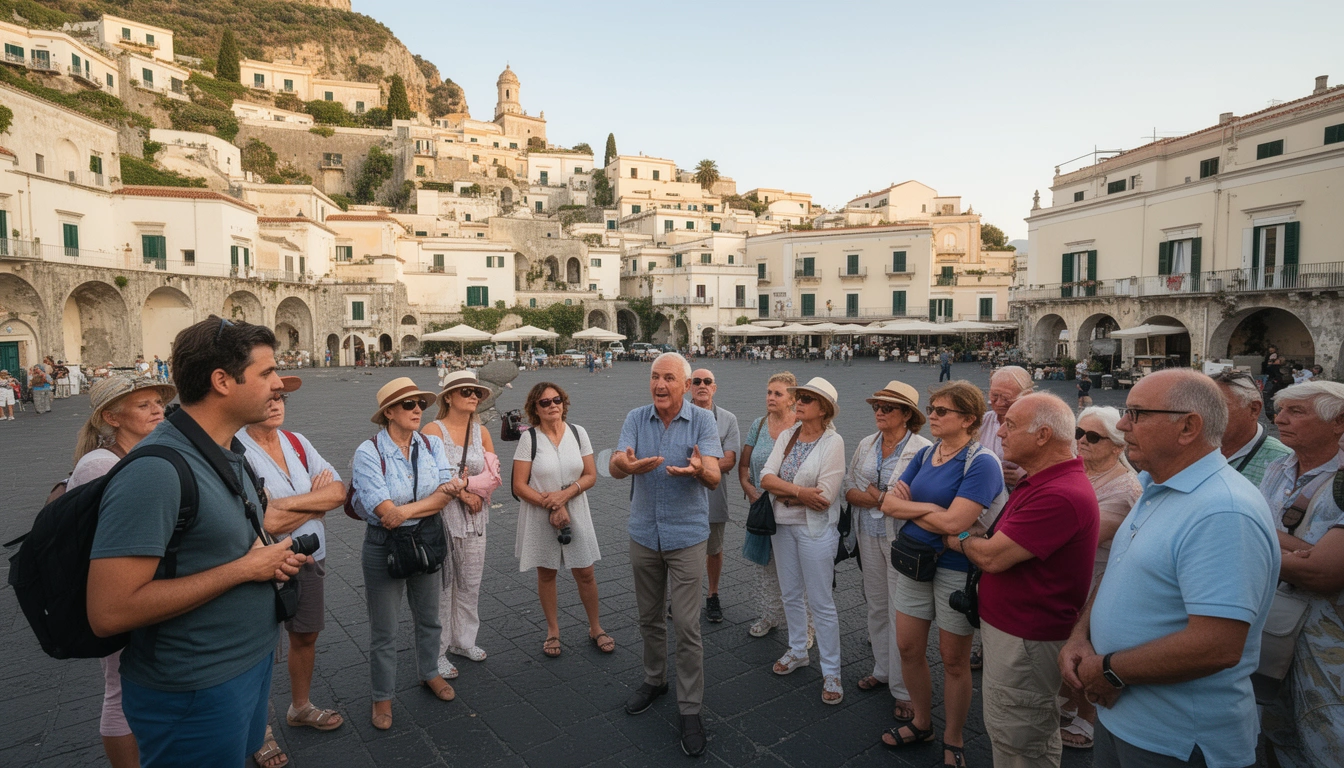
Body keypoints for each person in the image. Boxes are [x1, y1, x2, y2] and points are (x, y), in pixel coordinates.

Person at [86, 317, 308, 767]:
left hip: (243, 667)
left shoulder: (229, 452)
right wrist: (245, 569)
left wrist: (265, 561)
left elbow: (222, 550)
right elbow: (109, 611)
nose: (278, 385)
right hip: (194, 687)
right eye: (267, 373)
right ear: (222, 381)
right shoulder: (156, 472)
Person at [1059, 369, 1278, 768]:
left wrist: (1108, 671)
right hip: (1124, 717)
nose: (1123, 425)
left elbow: (1217, 644)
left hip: (1176, 738)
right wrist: (1080, 636)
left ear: (1188, 427)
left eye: (1137, 413)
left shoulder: (1223, 510)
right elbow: (1120, 571)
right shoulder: (1157, 485)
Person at [943, 393, 1099, 767]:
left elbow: (994, 556)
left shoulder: (1059, 493)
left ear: (1043, 435)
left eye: (1010, 425)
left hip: (1025, 640)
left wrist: (961, 539)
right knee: (1021, 732)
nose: (1000, 432)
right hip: (1018, 634)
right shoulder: (1045, 481)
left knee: (1019, 739)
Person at [879, 381, 1005, 768]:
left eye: (941, 411)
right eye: (932, 408)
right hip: (915, 561)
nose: (931, 415)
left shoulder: (982, 462)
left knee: (954, 660)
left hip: (954, 568)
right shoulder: (928, 452)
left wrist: (913, 506)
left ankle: (953, 737)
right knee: (908, 648)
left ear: (969, 420)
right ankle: (921, 722)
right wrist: (931, 512)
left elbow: (957, 521)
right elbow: (886, 502)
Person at [610, 352, 723, 757]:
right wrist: (625, 465)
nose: (660, 385)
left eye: (669, 378)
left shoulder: (704, 420)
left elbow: (713, 475)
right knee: (648, 617)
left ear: (686, 384)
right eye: (655, 377)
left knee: (688, 627)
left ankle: (690, 708)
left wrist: (699, 471)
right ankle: (654, 679)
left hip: (687, 536)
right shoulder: (637, 418)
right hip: (643, 534)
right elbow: (614, 464)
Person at [68, 375, 176, 768]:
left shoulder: (143, 453)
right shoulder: (99, 465)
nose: (156, 410)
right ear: (112, 417)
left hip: (146, 586)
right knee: (118, 688)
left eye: (157, 402)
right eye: (143, 405)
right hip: (119, 589)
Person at [237, 376, 348, 745]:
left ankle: (299, 707)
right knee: (258, 647)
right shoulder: (236, 449)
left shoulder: (298, 443)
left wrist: (283, 506)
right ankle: (259, 730)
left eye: (281, 397)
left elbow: (337, 492)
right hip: (263, 563)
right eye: (269, 396)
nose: (276, 403)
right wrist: (311, 505)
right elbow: (263, 521)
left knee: (306, 636)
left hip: (310, 557)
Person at [352, 377, 467, 730]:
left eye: (420, 404)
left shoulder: (431, 444)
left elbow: (448, 492)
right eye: (409, 404)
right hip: (384, 546)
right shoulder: (368, 451)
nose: (418, 409)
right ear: (389, 412)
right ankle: (382, 697)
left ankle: (429, 672)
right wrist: (417, 506)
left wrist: (405, 511)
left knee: (429, 617)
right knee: (384, 629)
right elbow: (383, 510)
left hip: (426, 539)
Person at [1258, 381, 1344, 766]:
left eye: (1297, 412)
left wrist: (1251, 542)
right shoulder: (1279, 466)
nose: (1279, 419)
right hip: (1275, 624)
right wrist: (1303, 552)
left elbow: (1325, 574)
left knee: (1329, 735)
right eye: (1280, 410)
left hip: (1330, 640)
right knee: (1279, 729)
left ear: (1339, 421)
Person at [1055, 406, 1143, 749]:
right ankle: (1067, 702)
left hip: (1098, 579)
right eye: (1078, 433)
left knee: (1087, 645)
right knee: (1067, 641)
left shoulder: (1124, 489)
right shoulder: (1082, 469)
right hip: (1074, 573)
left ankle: (1087, 718)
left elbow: (1081, 535)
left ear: (1117, 445)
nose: (1082, 441)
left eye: (1093, 436)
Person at [842, 380, 931, 721]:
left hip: (902, 540)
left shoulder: (923, 449)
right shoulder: (866, 443)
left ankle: (905, 689)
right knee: (876, 603)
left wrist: (877, 497)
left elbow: (914, 501)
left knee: (901, 611)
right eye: (876, 406)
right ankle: (882, 669)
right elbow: (849, 487)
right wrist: (882, 499)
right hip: (867, 532)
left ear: (907, 415)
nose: (878, 412)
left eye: (887, 407)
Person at [760, 377, 846, 705]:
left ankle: (832, 671)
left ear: (824, 409)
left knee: (822, 602)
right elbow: (766, 478)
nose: (800, 402)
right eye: (800, 397)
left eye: (808, 399)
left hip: (816, 530)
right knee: (790, 593)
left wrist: (786, 491)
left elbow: (824, 497)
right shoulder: (787, 435)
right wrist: (798, 493)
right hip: (782, 527)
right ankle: (798, 649)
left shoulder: (832, 442)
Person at [511, 382, 610, 657]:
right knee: (547, 573)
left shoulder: (578, 433)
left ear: (564, 403)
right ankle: (553, 630)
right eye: (545, 402)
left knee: (586, 572)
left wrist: (564, 496)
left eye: (557, 400)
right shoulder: (528, 439)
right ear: (535, 409)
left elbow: (590, 474)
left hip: (576, 508)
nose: (552, 405)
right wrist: (551, 504)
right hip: (539, 511)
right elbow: (519, 485)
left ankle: (596, 627)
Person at [422, 370, 500, 676]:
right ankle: (437, 650)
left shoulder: (481, 431)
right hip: (444, 517)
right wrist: (464, 493)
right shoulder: (433, 430)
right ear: (449, 397)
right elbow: (428, 474)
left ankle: (463, 639)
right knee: (443, 586)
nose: (473, 397)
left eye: (476, 393)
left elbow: (493, 474)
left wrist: (476, 491)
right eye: (466, 392)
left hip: (476, 517)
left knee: (471, 581)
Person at [738, 372, 814, 645]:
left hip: (793, 508)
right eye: (769, 392)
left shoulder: (803, 426)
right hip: (763, 507)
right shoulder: (758, 426)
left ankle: (806, 626)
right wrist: (751, 492)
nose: (771, 398)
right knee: (765, 566)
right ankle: (769, 615)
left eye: (778, 393)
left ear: (792, 400)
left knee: (798, 571)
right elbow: (744, 466)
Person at [690, 368, 740, 623]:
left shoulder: (728, 419)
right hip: (683, 495)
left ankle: (713, 594)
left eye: (707, 381)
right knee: (681, 548)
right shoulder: (676, 415)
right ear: (689, 386)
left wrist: (697, 469)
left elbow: (730, 460)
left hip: (714, 494)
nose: (702, 385)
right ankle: (683, 598)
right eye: (697, 381)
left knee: (714, 549)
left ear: (714, 387)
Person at [1211, 370, 1292, 486]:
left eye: (1218, 406)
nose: (1204, 414)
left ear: (1254, 409)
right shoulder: (1190, 450)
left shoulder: (1284, 463)